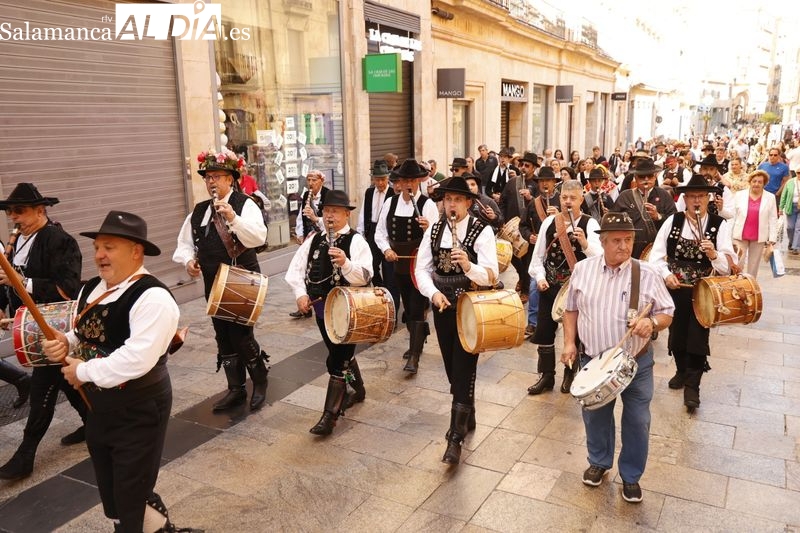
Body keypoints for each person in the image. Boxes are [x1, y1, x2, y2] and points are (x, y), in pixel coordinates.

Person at [42, 211, 198, 533]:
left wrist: (83, 371)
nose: (99, 255)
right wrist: (64, 342)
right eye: (98, 246)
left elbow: (136, 359)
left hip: (139, 408)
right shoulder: (91, 289)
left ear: (136, 251)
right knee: (114, 489)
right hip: (99, 407)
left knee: (129, 491)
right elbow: (82, 333)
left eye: (109, 247)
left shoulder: (153, 298)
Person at [562, 211, 674, 503]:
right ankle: (599, 461)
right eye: (616, 240)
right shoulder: (583, 269)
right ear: (603, 241)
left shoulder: (646, 273)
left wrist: (653, 324)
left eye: (628, 240)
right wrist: (569, 342)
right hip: (593, 360)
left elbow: (667, 312)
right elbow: (570, 308)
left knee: (637, 420)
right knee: (595, 416)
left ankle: (631, 476)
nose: (623, 246)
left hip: (635, 360)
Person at [0, 183, 86, 481]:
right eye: (11, 212)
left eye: (20, 211)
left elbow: (68, 288)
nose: (14, 218)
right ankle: (94, 422)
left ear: (40, 210)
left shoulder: (60, 240)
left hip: (56, 327)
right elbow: (10, 284)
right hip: (30, 324)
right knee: (65, 381)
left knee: (42, 388)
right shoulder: (17, 242)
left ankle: (25, 455)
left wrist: (21, 283)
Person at [173, 148, 269, 412]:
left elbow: (258, 238)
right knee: (223, 336)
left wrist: (232, 217)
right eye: (208, 177)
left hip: (241, 278)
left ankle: (260, 381)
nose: (211, 181)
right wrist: (189, 261)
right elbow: (184, 244)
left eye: (217, 176)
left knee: (241, 335)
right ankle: (235, 389)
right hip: (213, 281)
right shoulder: (199, 210)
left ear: (230, 179)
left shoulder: (245, 204)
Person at [414, 176, 498, 465]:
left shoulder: (482, 231)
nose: (451, 204)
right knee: (451, 370)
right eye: (447, 199)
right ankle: (467, 411)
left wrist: (469, 265)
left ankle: (455, 438)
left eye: (457, 200)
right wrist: (433, 294)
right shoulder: (434, 230)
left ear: (468, 203)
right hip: (442, 307)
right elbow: (421, 269)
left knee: (462, 369)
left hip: (470, 308)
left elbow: (491, 276)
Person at [285, 190, 373, 435]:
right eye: (326, 211)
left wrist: (346, 263)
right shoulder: (314, 238)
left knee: (336, 361)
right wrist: (300, 294)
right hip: (322, 310)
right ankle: (358, 389)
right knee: (337, 353)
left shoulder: (356, 241)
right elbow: (296, 270)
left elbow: (366, 274)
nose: (330, 215)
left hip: (349, 311)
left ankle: (330, 416)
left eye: (335, 211)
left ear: (347, 214)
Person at [649, 175, 735, 411]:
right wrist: (666, 274)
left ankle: (692, 387)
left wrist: (714, 254)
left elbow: (727, 266)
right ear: (685, 199)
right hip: (674, 290)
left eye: (701, 196)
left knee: (697, 338)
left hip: (704, 292)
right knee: (676, 335)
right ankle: (681, 370)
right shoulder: (672, 222)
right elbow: (655, 256)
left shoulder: (719, 225)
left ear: (708, 199)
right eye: (692, 197)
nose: (696, 201)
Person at [527, 180, 601, 395]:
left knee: (574, 335)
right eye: (565, 198)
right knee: (544, 332)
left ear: (581, 199)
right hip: (550, 287)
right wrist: (539, 277)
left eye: (573, 198)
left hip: (576, 291)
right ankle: (546, 375)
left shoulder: (590, 224)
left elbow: (601, 259)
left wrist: (585, 244)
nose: (568, 202)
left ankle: (570, 373)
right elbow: (538, 257)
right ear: (560, 199)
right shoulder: (550, 222)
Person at [375, 159, 439, 374]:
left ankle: (414, 355)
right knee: (408, 307)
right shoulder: (390, 203)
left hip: (419, 264)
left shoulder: (427, 205)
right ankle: (418, 339)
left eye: (413, 180)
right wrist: (386, 250)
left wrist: (428, 228)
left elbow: (439, 238)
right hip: (398, 263)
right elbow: (380, 233)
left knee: (416, 306)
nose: (409, 184)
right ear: (399, 182)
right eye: (405, 180)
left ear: (419, 181)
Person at [519, 166, 561, 339]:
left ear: (554, 183)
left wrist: (559, 216)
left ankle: (554, 318)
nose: (545, 184)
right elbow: (523, 225)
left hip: (558, 253)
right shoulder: (533, 203)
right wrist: (529, 237)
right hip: (538, 252)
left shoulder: (561, 201)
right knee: (534, 286)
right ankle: (533, 322)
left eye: (548, 181)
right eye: (542, 181)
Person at [612, 158, 677, 258]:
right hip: (630, 250)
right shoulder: (625, 196)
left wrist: (658, 217)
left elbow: (674, 222)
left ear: (655, 177)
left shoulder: (664, 195)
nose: (646, 179)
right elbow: (613, 221)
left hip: (656, 250)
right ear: (635, 177)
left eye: (650, 176)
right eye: (642, 176)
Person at [498, 151, 539, 303]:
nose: (523, 168)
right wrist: (502, 220)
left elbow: (543, 206)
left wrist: (531, 198)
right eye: (521, 165)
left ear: (534, 168)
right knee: (513, 257)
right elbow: (502, 202)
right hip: (511, 229)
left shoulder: (537, 184)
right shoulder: (512, 182)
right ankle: (522, 277)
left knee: (528, 260)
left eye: (527, 165)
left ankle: (526, 290)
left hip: (529, 228)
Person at [357, 160, 396, 293]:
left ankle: (389, 290)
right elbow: (363, 213)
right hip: (371, 231)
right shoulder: (369, 192)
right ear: (373, 179)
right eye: (377, 179)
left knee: (388, 267)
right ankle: (380, 286)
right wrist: (361, 233)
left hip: (387, 233)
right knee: (371, 265)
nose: (380, 183)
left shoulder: (393, 193)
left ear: (388, 178)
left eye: (383, 179)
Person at [730, 170, 778, 278]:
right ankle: (735, 285)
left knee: (753, 265)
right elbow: (732, 215)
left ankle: (750, 288)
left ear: (764, 183)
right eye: (754, 181)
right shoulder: (739, 195)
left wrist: (772, 237)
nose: (756, 184)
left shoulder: (770, 197)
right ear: (750, 182)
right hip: (740, 235)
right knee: (738, 262)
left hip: (758, 236)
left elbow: (773, 218)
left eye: (760, 182)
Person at [295, 170, 329, 245]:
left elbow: (331, 221)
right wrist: (300, 234)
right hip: (308, 237)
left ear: (321, 181)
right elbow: (300, 217)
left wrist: (315, 218)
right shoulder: (306, 195)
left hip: (324, 238)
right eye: (308, 180)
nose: (310, 183)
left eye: (314, 180)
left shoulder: (329, 195)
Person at [779, 169, 800, 254]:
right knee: (790, 227)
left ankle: (795, 247)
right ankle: (791, 242)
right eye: (799, 172)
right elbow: (784, 195)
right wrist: (781, 207)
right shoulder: (790, 182)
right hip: (791, 206)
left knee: (798, 228)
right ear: (796, 173)